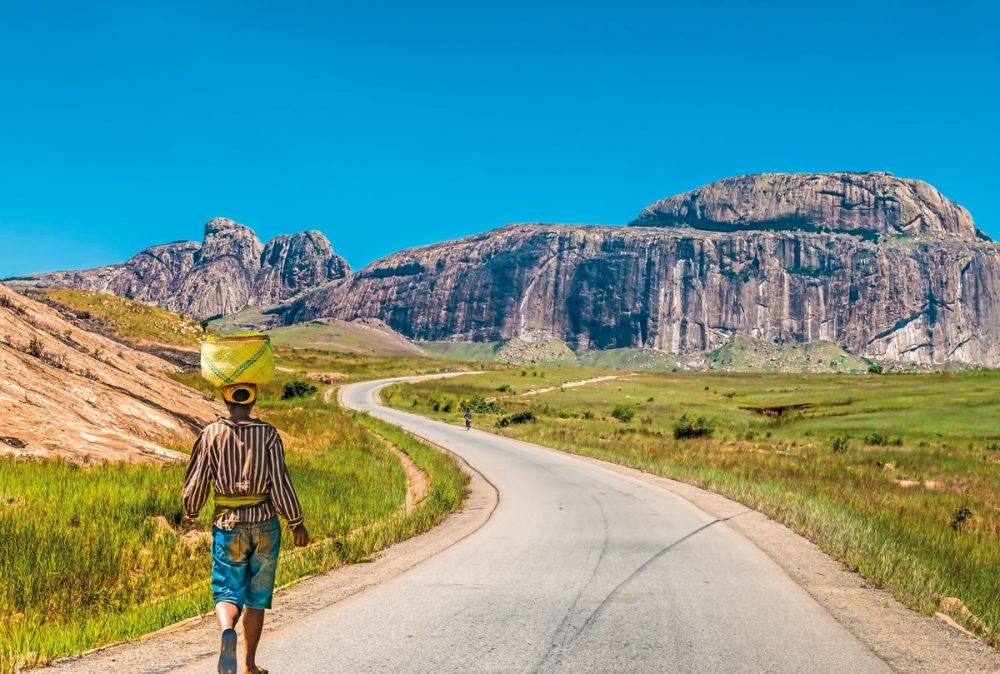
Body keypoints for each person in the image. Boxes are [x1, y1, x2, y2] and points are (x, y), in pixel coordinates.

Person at [183, 382, 309, 674]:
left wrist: (191, 509)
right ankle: (249, 665)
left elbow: (198, 480)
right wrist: (296, 521)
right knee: (256, 596)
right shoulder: (268, 435)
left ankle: (227, 628)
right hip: (265, 523)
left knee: (227, 589)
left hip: (228, 524)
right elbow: (280, 482)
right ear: (254, 400)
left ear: (225, 399)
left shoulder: (210, 434)